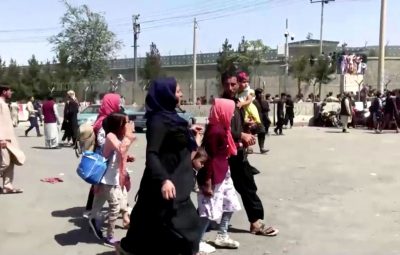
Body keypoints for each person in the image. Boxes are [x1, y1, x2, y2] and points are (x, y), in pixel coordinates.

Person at [117, 78, 203, 255]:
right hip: (166, 181)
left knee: (150, 220)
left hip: (176, 178)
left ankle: (130, 247)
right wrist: (164, 180)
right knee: (184, 223)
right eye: (177, 91)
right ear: (167, 94)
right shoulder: (158, 121)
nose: (181, 94)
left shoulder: (172, 117)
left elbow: (176, 143)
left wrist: (190, 134)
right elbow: (152, 154)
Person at [221, 71, 279, 237]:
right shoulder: (223, 103)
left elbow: (235, 124)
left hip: (238, 151)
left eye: (233, 84)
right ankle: (255, 222)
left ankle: (255, 221)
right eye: (227, 84)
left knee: (245, 185)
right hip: (228, 153)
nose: (230, 87)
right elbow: (220, 130)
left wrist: (247, 126)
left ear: (239, 84)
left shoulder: (237, 101)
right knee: (241, 187)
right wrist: (241, 135)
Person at [197, 98, 241, 249]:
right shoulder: (216, 131)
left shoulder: (221, 128)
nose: (233, 115)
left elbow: (222, 150)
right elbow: (210, 158)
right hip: (214, 175)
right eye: (232, 111)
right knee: (208, 209)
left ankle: (222, 234)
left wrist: (240, 144)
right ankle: (197, 242)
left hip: (223, 173)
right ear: (223, 111)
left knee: (230, 202)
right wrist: (208, 181)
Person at [89, 113, 135, 247]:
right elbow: (121, 149)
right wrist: (128, 136)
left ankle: (92, 220)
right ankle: (110, 236)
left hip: (113, 179)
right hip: (106, 179)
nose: (129, 124)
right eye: (126, 122)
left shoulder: (118, 137)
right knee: (114, 207)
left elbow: (119, 154)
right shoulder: (110, 136)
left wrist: (128, 157)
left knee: (100, 205)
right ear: (119, 124)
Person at [0, 83, 25, 194]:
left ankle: (7, 186)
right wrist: (1, 138)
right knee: (4, 163)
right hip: (3, 139)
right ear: (4, 92)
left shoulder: (4, 103)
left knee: (11, 163)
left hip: (9, 138)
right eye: (9, 91)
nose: (11, 93)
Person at [253, 88, 270, 154]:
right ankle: (261, 148)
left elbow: (267, 110)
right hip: (257, 120)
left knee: (262, 134)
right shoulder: (254, 102)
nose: (260, 95)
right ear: (256, 94)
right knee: (261, 132)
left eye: (261, 93)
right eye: (259, 93)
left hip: (263, 120)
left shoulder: (264, 101)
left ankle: (261, 148)